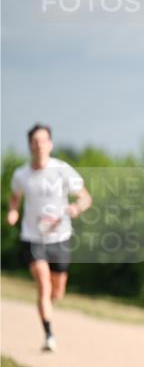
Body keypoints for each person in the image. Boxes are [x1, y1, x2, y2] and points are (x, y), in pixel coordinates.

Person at [6, 124, 92, 352]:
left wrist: (76, 208)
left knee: (57, 292)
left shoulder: (62, 170)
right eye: (35, 141)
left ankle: (46, 308)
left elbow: (85, 197)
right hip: (32, 238)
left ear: (50, 144)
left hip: (60, 238)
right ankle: (49, 335)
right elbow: (15, 197)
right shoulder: (21, 175)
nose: (39, 145)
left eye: (43, 141)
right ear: (30, 146)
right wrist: (13, 211)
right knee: (43, 285)